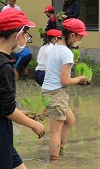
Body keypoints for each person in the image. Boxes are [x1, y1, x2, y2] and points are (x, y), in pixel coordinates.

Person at [0, 8, 45, 169]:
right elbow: (7, 109)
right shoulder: (4, 67)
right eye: (26, 34)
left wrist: (22, 114)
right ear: (17, 35)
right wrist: (34, 125)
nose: (26, 39)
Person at [41, 18, 89, 161]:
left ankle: (60, 149)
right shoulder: (67, 53)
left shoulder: (54, 48)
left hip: (48, 91)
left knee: (70, 120)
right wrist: (80, 79)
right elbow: (65, 81)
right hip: (57, 93)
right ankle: (54, 161)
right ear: (72, 35)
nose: (79, 40)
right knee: (55, 131)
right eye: (79, 37)